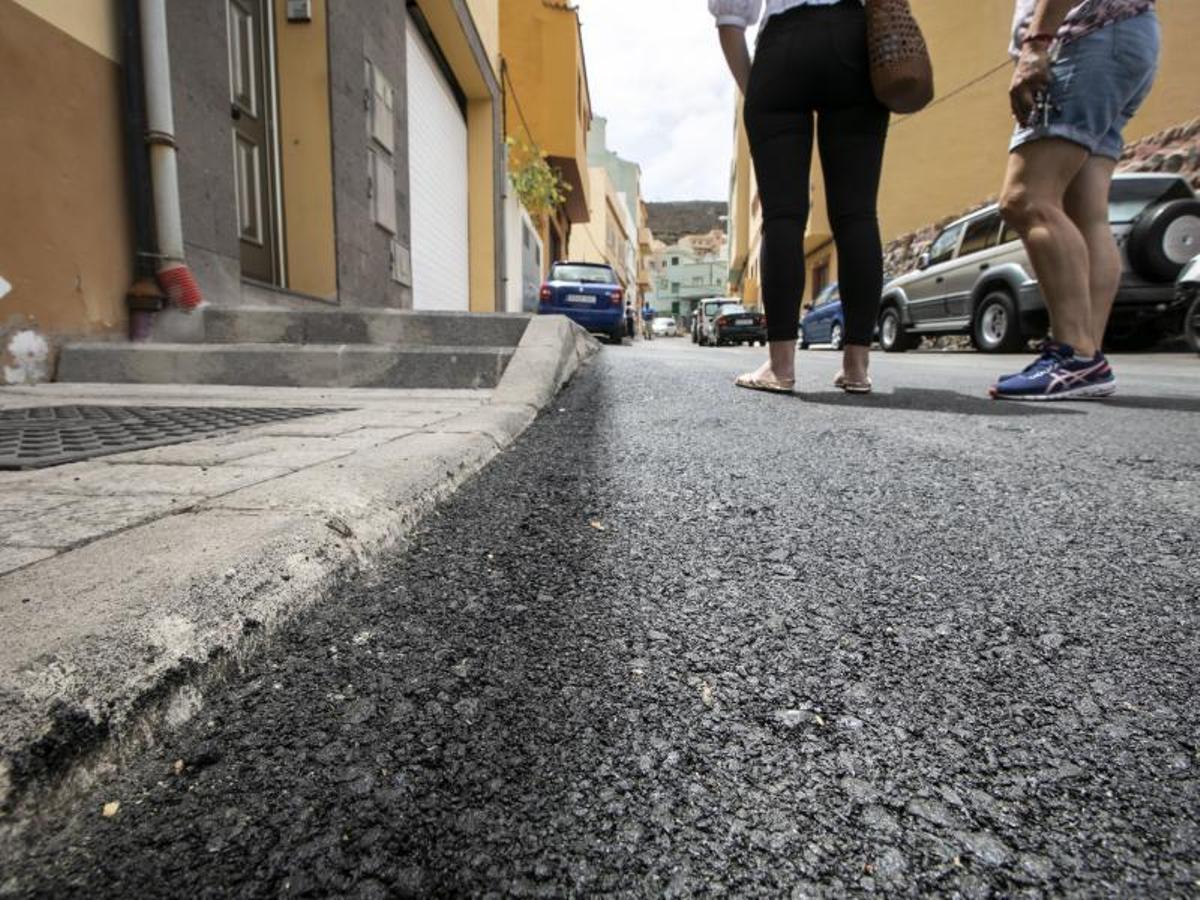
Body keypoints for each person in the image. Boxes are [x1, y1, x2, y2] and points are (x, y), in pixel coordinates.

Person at [712, 0, 885, 396]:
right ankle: (856, 367)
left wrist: (757, 90)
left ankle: (781, 366)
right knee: (858, 213)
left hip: (782, 48)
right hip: (852, 39)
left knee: (782, 217)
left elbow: (729, 19)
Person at [991, 0, 1160, 401]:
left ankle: (1075, 354)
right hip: (1127, 36)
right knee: (1086, 213)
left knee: (1025, 198)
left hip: (1086, 39)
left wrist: (1036, 43)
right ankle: (1087, 359)